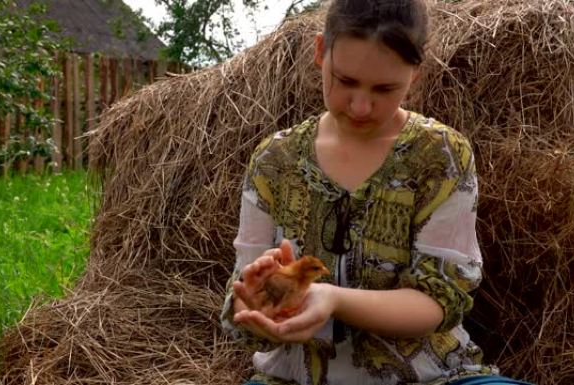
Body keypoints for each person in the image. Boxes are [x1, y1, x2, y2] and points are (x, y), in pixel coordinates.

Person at [221, 0, 533, 384]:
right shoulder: (274, 160)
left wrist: (333, 299)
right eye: (346, 81)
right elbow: (242, 304)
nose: (361, 106)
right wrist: (255, 307)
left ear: (415, 74)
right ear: (321, 52)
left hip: (432, 378)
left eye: (385, 88)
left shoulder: (440, 155)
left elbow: (439, 298)